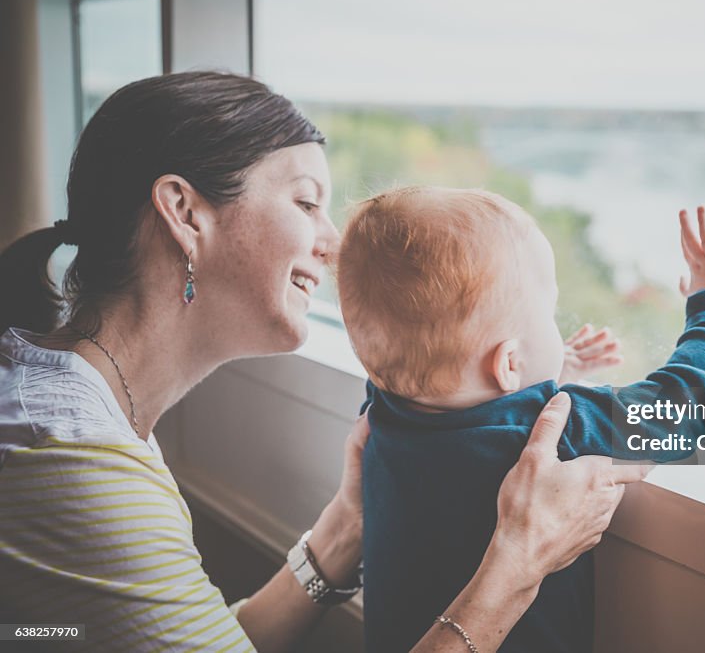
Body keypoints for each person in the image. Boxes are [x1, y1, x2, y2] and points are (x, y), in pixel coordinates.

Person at [0, 71, 652, 653]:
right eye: (307, 202)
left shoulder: (70, 404)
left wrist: (345, 530)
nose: (334, 243)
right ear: (185, 211)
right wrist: (517, 566)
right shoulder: (68, 462)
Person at [336, 187, 705, 652]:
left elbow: (460, 401)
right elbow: (689, 399)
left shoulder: (381, 413)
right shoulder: (554, 432)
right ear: (508, 365)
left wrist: (537, 375)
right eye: (549, 315)